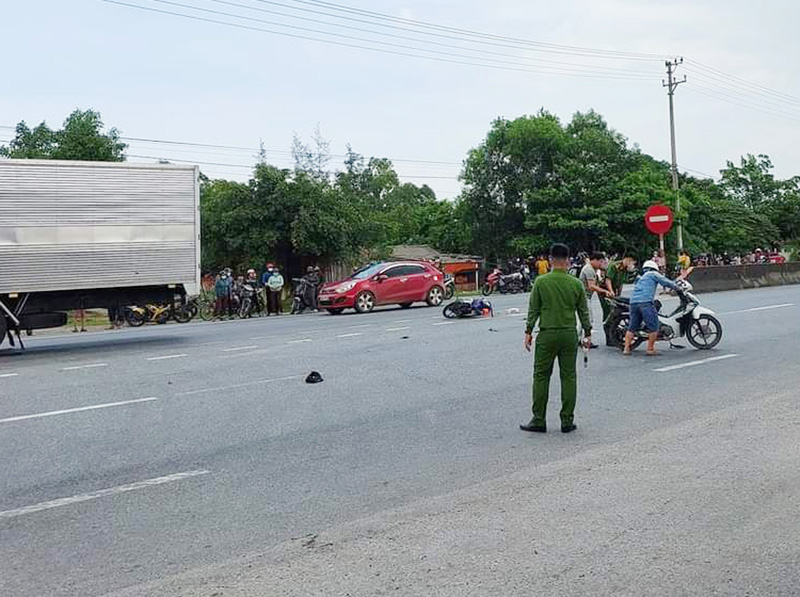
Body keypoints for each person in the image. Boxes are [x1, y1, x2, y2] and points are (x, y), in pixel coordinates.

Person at [520, 244, 592, 434]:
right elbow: (583, 311)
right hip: (569, 334)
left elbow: (533, 309)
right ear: (568, 260)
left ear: (551, 260)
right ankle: (567, 421)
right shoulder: (575, 283)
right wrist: (588, 332)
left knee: (541, 376)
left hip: (547, 334)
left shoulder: (541, 282)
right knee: (569, 376)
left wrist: (528, 331)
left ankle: (538, 420)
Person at [623, 260, 681, 356]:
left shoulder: (640, 277)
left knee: (632, 326)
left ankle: (626, 349)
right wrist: (676, 287)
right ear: (654, 268)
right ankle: (650, 349)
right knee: (654, 326)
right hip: (645, 302)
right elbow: (665, 282)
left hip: (633, 303)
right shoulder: (653, 274)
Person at [579, 252, 614, 349]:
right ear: (594, 260)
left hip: (584, 296)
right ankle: (585, 340)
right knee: (587, 319)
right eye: (600, 262)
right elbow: (591, 286)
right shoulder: (589, 269)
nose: (601, 264)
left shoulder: (592, 269)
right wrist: (604, 291)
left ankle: (579, 340)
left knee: (582, 319)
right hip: (584, 297)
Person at [602, 253, 637, 346]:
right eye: (629, 261)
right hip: (605, 290)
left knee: (617, 312)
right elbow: (608, 280)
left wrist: (618, 296)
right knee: (608, 312)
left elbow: (621, 282)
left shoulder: (625, 269)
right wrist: (610, 291)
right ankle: (608, 338)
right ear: (625, 259)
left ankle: (614, 336)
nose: (630, 263)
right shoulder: (614, 266)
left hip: (615, 290)